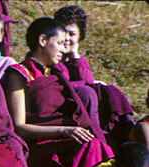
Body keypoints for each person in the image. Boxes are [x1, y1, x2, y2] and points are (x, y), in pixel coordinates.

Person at [3, 17, 111, 167]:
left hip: (62, 143)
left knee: (98, 148)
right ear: (42, 40)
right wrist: (64, 131)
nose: (64, 49)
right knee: (90, 148)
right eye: (60, 43)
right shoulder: (18, 74)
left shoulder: (55, 75)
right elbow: (19, 127)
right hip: (37, 148)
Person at [53, 4, 135, 153]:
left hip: (87, 112)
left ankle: (129, 139)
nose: (66, 38)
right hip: (64, 110)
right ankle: (99, 146)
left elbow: (87, 78)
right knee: (87, 91)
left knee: (109, 91)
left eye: (72, 34)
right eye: (63, 32)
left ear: (79, 37)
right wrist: (87, 83)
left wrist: (76, 56)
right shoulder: (53, 60)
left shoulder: (78, 61)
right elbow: (66, 85)